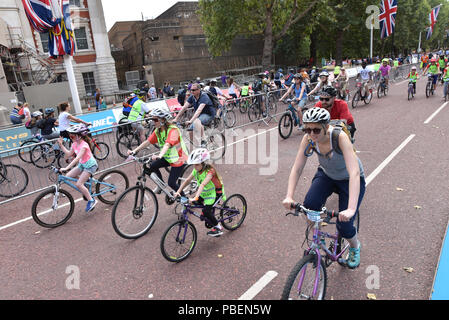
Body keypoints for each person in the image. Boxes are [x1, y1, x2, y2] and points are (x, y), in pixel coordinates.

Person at [282, 107, 365, 269]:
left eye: (315, 129)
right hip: (327, 174)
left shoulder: (339, 137)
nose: (311, 133)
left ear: (326, 127)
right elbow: (297, 167)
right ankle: (316, 237)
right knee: (310, 205)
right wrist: (289, 196)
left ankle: (355, 247)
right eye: (307, 129)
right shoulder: (308, 139)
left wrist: (351, 209)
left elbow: (354, 172)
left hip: (349, 178)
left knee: (345, 225)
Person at [128, 106, 188, 195]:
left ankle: (184, 199)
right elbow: (148, 141)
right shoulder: (158, 131)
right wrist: (134, 151)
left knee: (171, 183)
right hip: (169, 157)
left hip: (179, 158)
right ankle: (161, 185)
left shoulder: (173, 130)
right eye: (152, 119)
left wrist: (159, 156)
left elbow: (167, 144)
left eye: (155, 119)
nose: (153, 121)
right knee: (152, 166)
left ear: (163, 120)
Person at [174, 148, 226, 237]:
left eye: (197, 164)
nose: (195, 166)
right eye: (194, 164)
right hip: (204, 194)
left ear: (204, 163)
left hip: (214, 194)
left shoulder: (210, 172)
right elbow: (187, 180)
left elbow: (202, 184)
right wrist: (178, 191)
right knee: (193, 203)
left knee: (206, 211)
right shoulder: (196, 170)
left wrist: (196, 197)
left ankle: (218, 227)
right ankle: (208, 214)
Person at [58, 124, 98, 212]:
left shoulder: (84, 145)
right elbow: (69, 154)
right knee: (68, 175)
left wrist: (66, 168)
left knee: (79, 184)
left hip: (90, 166)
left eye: (72, 135)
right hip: (82, 164)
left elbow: (77, 158)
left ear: (79, 136)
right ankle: (87, 181)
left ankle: (92, 200)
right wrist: (61, 145)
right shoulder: (74, 144)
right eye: (69, 135)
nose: (70, 137)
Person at [174, 83, 216, 147]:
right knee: (190, 131)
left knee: (197, 121)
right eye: (191, 90)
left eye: (194, 90)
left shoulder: (204, 96)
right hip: (201, 115)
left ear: (199, 90)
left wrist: (191, 121)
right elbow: (184, 107)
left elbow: (199, 110)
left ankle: (203, 141)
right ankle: (200, 147)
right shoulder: (192, 97)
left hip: (208, 114)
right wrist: (176, 118)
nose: (191, 91)